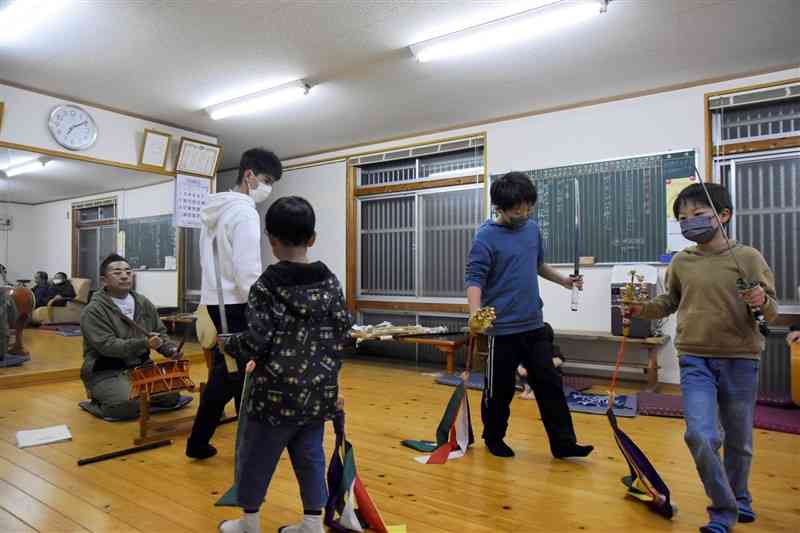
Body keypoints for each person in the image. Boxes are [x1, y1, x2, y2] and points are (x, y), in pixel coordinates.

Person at [627, 183, 777, 533]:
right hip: (694, 358)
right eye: (682, 217)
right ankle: (723, 512)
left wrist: (760, 300)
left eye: (698, 214)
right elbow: (669, 302)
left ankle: (740, 499)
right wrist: (642, 309)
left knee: (739, 440)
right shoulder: (682, 261)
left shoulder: (749, 257)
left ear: (724, 215)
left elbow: (770, 312)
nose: (689, 222)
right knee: (699, 434)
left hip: (741, 359)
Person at [218, 197, 352, 533]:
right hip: (318, 393)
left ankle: (249, 523)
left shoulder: (266, 286)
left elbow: (256, 341)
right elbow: (341, 333)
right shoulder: (330, 281)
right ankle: (311, 525)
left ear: (270, 239)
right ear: (313, 238)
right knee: (310, 457)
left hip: (274, 397)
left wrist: (227, 342)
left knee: (256, 460)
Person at [465, 171, 593, 459]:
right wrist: (475, 315)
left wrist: (564, 281)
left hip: (534, 323)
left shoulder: (532, 229)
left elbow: (538, 265)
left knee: (549, 384)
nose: (523, 213)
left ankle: (563, 443)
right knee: (499, 390)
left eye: (527, 207)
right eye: (516, 210)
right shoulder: (485, 237)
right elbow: (475, 278)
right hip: (502, 328)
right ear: (499, 207)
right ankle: (494, 437)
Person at [186, 147, 283, 460]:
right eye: (266, 180)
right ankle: (249, 448)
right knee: (245, 374)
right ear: (249, 175)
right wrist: (264, 305)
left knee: (225, 372)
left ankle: (199, 442)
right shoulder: (244, 212)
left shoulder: (216, 209)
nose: (267, 188)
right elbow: (247, 269)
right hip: (238, 302)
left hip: (216, 302)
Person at [80, 254, 185, 420]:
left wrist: (170, 349)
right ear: (104, 280)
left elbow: (159, 331)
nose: (124, 276)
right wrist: (144, 343)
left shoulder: (143, 302)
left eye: (128, 272)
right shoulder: (93, 310)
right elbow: (107, 346)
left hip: (140, 366)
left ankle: (137, 396)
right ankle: (96, 399)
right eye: (117, 272)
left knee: (172, 397)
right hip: (106, 369)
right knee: (124, 406)